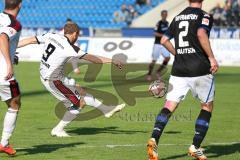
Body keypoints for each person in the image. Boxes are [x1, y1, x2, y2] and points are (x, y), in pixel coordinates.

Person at [18, 23, 126, 137]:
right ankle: (58, 129)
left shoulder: (52, 35)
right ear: (75, 34)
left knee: (81, 90)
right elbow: (94, 59)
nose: (77, 37)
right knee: (79, 103)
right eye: (77, 35)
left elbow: (30, 40)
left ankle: (106, 110)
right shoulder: (69, 48)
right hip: (53, 80)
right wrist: (113, 60)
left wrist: (13, 47)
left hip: (55, 75)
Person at [147, 0, 219, 160]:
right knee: (206, 106)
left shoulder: (178, 17)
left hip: (179, 69)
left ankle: (154, 138)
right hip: (200, 67)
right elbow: (201, 33)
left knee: (169, 106)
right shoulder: (205, 15)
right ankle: (195, 146)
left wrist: (178, 55)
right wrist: (212, 58)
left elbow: (164, 40)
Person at [0, 0, 22, 156]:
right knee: (14, 103)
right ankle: (4, 143)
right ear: (19, 5)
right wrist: (9, 63)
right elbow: (2, 38)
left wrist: (12, 55)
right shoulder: (14, 23)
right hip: (3, 73)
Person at [147, 10, 170, 81]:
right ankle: (149, 74)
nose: (165, 16)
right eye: (163, 14)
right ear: (161, 15)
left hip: (164, 44)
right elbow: (155, 33)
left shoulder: (167, 23)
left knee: (167, 58)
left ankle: (158, 71)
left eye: (166, 14)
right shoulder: (159, 23)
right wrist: (163, 35)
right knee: (154, 60)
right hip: (157, 44)